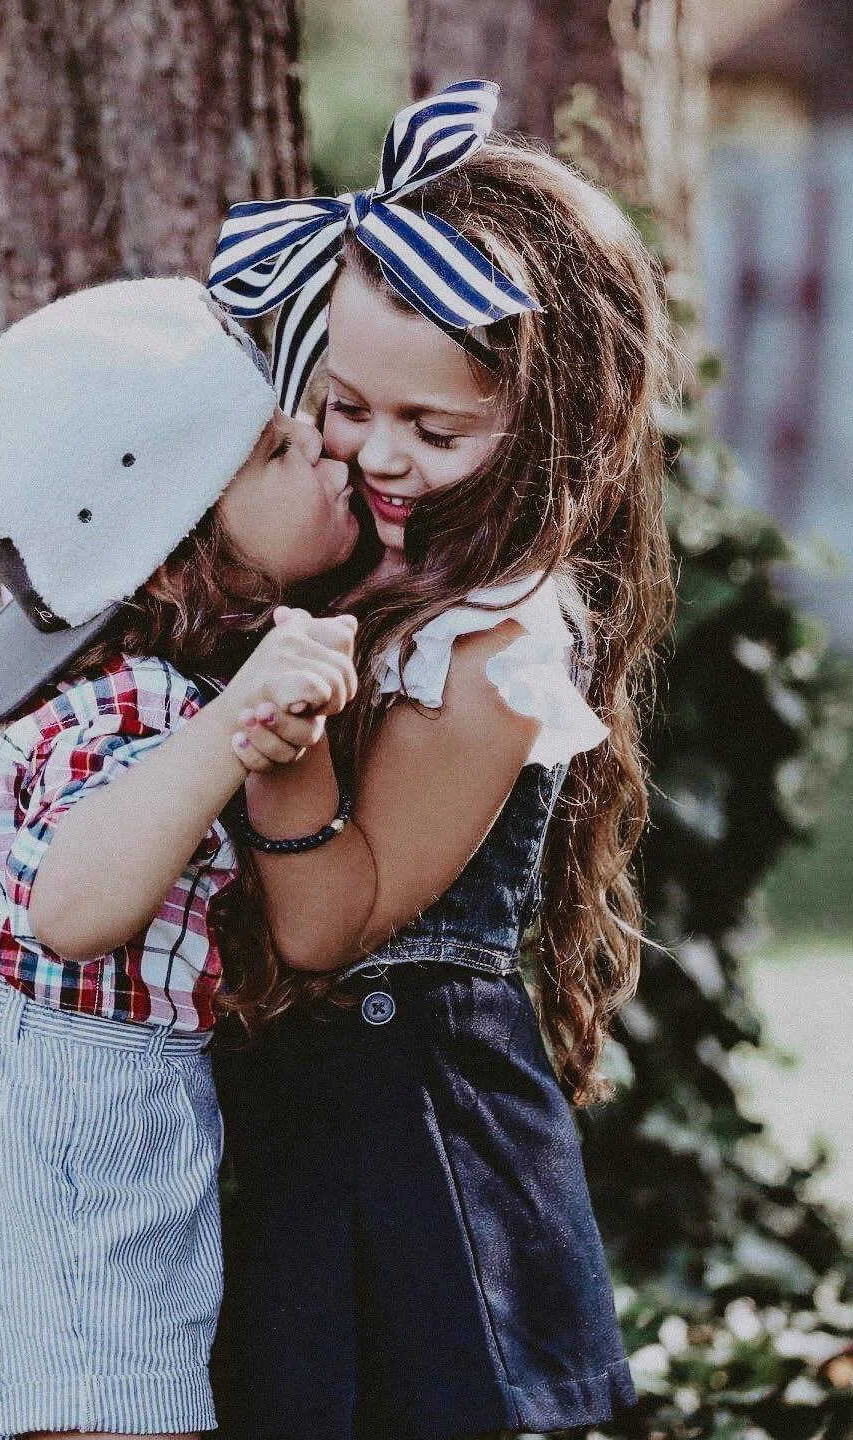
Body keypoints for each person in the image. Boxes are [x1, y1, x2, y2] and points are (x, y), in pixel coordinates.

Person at [202, 81, 676, 1439]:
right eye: (348, 405)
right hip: (304, 1124)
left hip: (419, 1149)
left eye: (439, 431)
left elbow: (323, 921)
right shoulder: (359, 555)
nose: (381, 456)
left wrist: (275, 739)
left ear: (547, 421)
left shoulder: (500, 642)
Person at [0, 276, 363, 1440]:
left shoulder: (128, 692)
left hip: (52, 1113)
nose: (332, 453)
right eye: (278, 451)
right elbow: (74, 905)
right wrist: (233, 729)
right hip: (58, 1134)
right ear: (167, 552)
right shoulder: (144, 708)